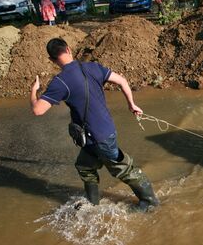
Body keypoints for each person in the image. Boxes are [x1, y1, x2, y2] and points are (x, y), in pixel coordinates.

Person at [30, 38, 160, 210]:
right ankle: (92, 204)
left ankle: (150, 202)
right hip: (100, 132)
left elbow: (37, 110)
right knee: (84, 166)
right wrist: (131, 104)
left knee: (123, 169)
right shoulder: (92, 67)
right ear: (68, 49)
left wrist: (33, 91)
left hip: (98, 137)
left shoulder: (60, 82)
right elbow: (122, 80)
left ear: (52, 60)